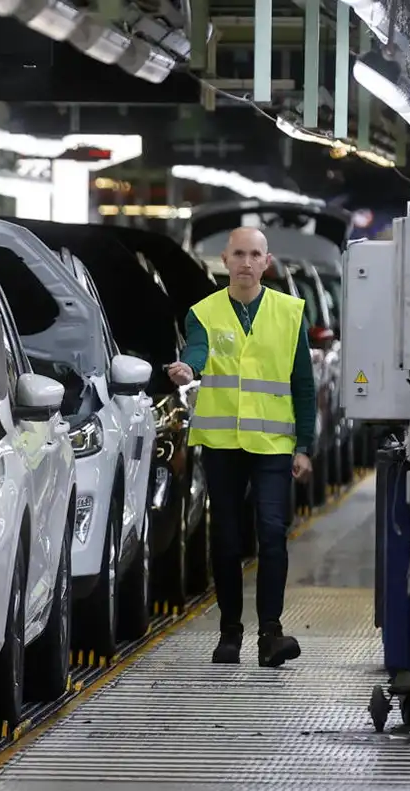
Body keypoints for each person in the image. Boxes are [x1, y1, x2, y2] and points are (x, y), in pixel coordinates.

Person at [165, 227, 316, 667]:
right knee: (227, 541)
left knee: (272, 534)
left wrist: (303, 446)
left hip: (273, 444)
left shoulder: (290, 314)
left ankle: (271, 632)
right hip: (223, 443)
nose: (246, 263)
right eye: (238, 255)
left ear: (265, 263)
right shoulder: (204, 313)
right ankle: (230, 631)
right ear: (225, 260)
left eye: (255, 255)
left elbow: (303, 386)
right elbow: (197, 351)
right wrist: (187, 370)